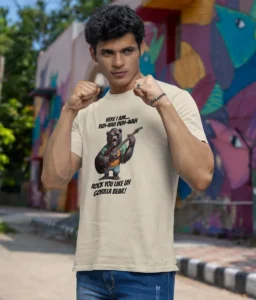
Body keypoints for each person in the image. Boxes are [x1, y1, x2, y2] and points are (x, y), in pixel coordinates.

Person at [41, 4, 214, 300]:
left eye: (127, 51)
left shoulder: (174, 99)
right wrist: (69, 110)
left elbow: (200, 176)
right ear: (94, 55)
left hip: (146, 271)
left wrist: (161, 105)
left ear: (142, 47)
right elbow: (53, 179)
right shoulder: (86, 112)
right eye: (108, 53)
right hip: (91, 269)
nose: (118, 62)